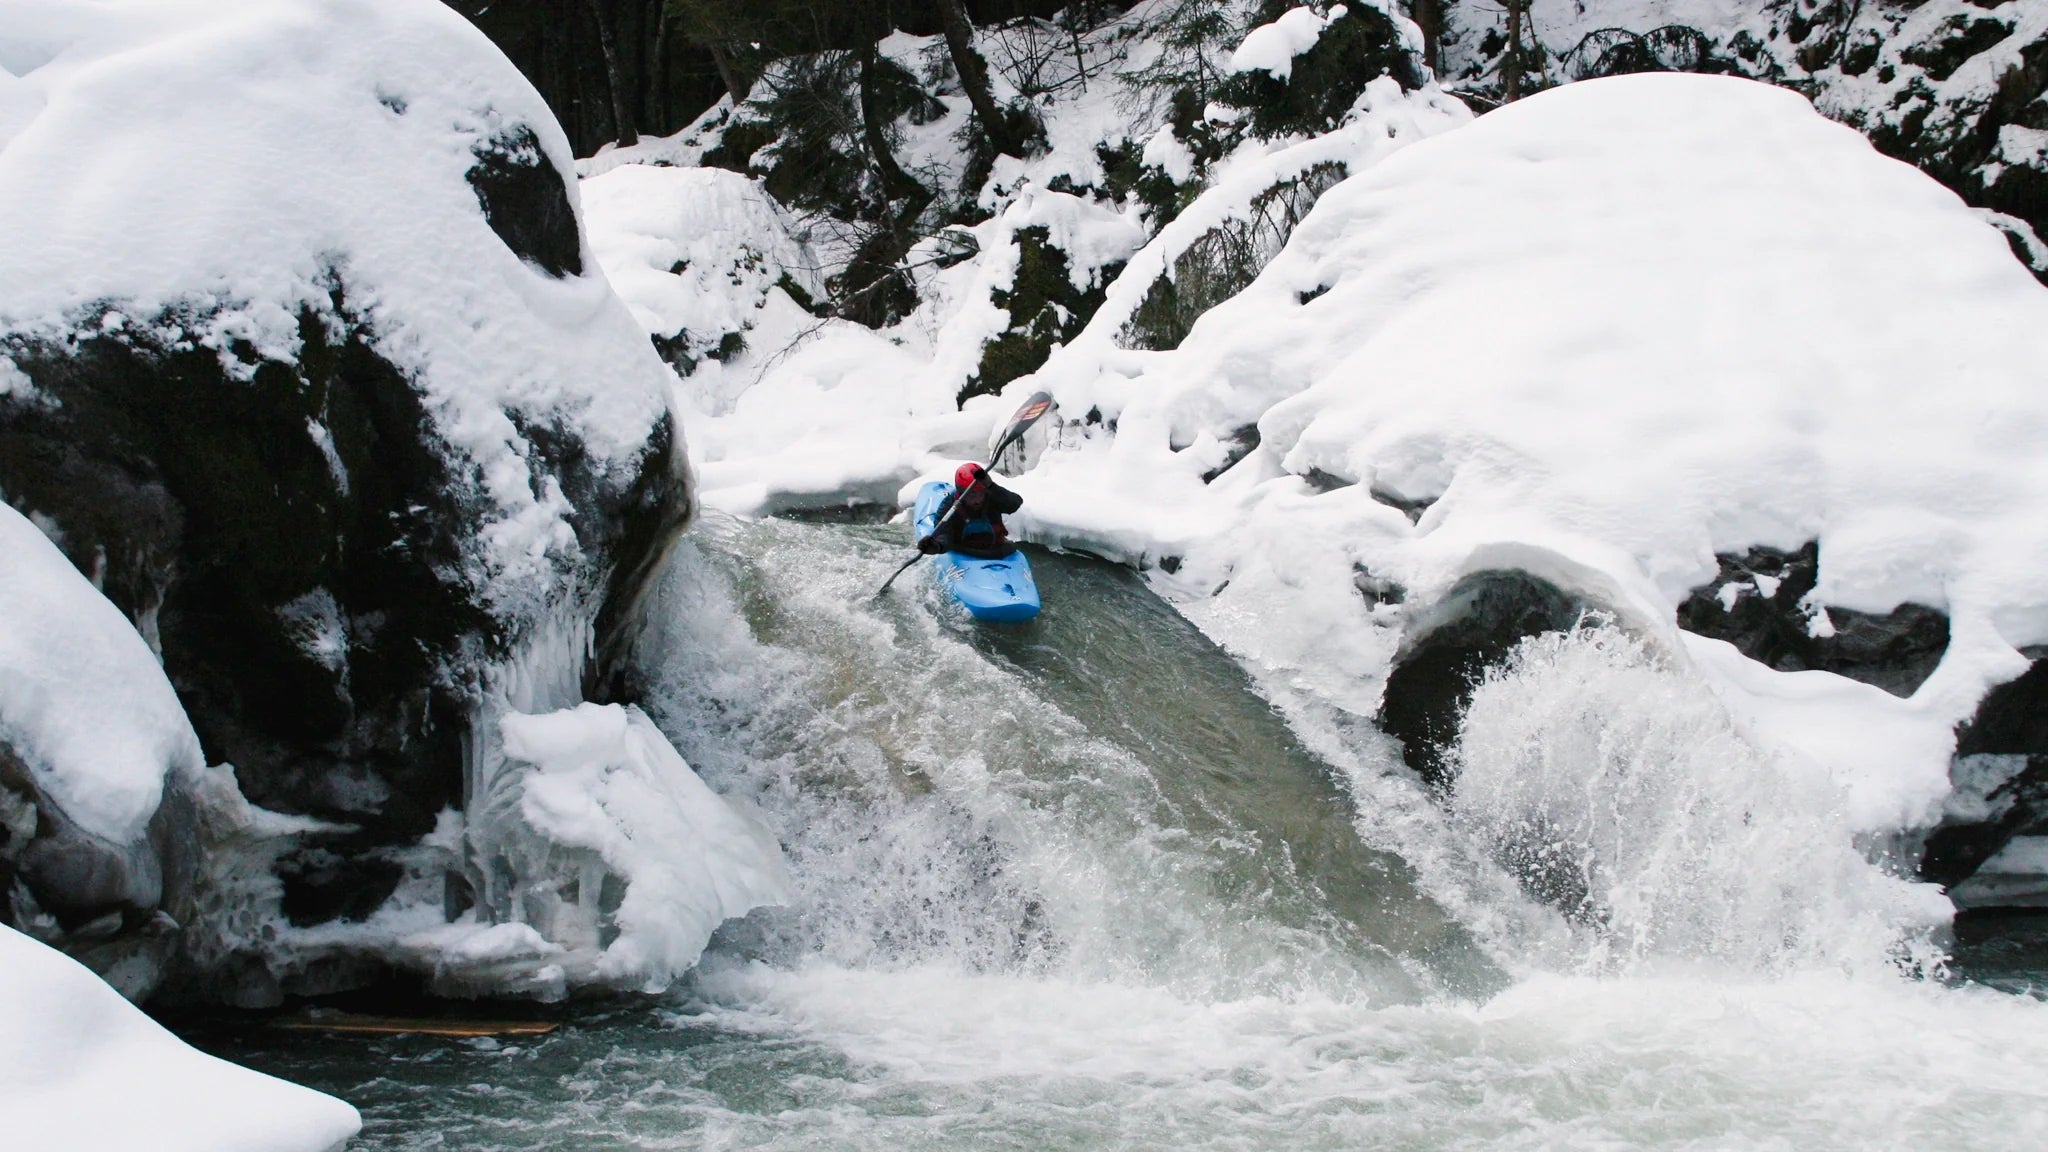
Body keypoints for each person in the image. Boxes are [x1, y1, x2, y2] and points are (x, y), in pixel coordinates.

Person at [918, 462, 1022, 558]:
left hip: (995, 550)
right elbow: (944, 534)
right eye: (972, 495)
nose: (977, 500)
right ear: (961, 493)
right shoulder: (950, 506)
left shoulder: (991, 496)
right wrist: (938, 546)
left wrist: (991, 486)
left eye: (981, 494)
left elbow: (1014, 504)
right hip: (965, 553)